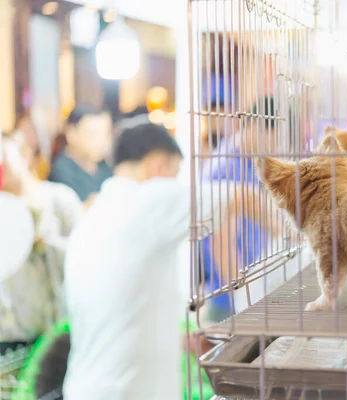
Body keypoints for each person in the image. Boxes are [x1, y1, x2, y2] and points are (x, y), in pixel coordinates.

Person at [62, 122, 229, 400]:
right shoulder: (147, 199)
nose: (175, 186)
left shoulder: (94, 218)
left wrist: (178, 341)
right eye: (174, 174)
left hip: (88, 387)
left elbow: (117, 311)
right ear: (156, 165)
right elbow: (235, 195)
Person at [0, 132, 82, 359]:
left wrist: (46, 245)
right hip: (8, 339)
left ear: (24, 156)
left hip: (57, 333)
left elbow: (85, 258)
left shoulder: (59, 200)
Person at [49, 106, 113, 202]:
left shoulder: (105, 168)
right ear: (71, 134)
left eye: (106, 134)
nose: (102, 141)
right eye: (93, 134)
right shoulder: (61, 174)